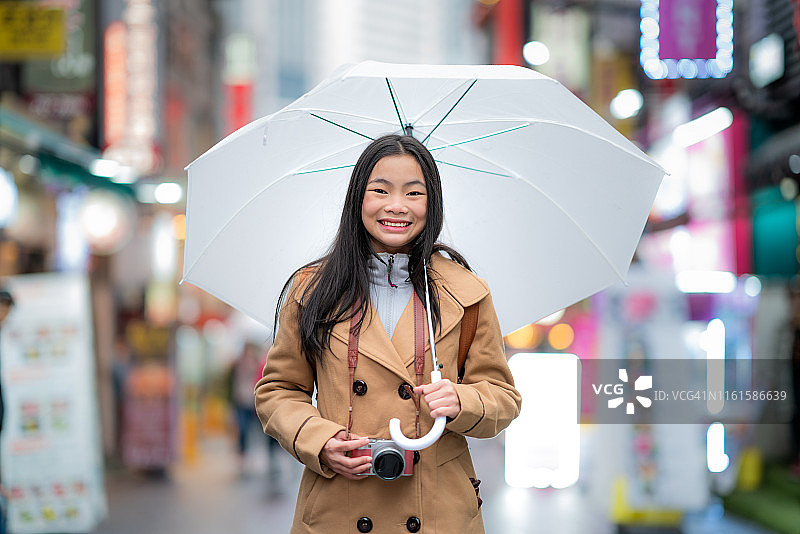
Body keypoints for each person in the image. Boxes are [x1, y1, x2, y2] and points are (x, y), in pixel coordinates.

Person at [255, 134, 521, 533]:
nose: (396, 206)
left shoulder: (467, 293)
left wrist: (461, 400)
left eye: (413, 193)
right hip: (340, 506)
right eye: (380, 190)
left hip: (437, 511)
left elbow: (503, 397)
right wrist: (320, 441)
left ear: (432, 203)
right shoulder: (312, 291)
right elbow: (278, 390)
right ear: (357, 198)